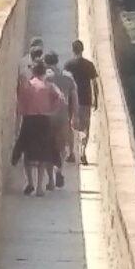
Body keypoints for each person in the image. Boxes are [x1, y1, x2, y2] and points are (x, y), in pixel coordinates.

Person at [14, 58, 59, 196]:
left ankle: (30, 183)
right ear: (44, 72)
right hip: (44, 121)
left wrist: (18, 123)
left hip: (29, 120)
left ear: (33, 71)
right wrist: (51, 111)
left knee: (27, 153)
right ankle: (40, 187)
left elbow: (20, 106)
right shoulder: (49, 86)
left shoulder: (27, 86)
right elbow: (59, 99)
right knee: (42, 155)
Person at [45, 50, 77, 188]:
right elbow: (74, 99)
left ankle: (51, 180)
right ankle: (59, 170)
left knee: (47, 148)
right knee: (61, 147)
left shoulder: (45, 78)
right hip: (63, 116)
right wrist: (74, 116)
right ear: (57, 62)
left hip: (48, 117)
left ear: (46, 63)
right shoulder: (68, 77)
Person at [66, 39, 100, 164]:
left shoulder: (69, 65)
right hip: (86, 99)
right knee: (85, 127)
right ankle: (82, 151)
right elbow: (95, 83)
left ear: (73, 50)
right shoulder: (89, 65)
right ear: (82, 49)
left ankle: (71, 153)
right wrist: (96, 99)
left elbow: (66, 82)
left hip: (72, 100)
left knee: (72, 126)